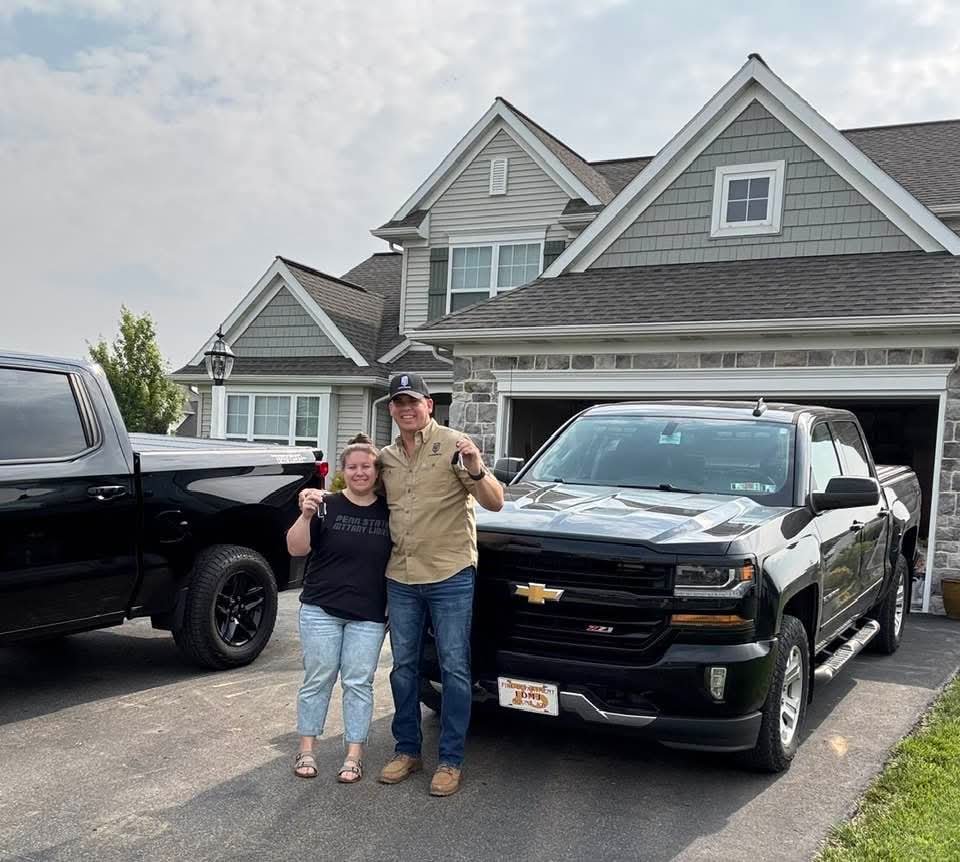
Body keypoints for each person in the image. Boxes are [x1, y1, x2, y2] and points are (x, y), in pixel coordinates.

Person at [376, 372, 504, 797]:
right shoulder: (386, 459)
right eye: (399, 402)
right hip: (402, 576)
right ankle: (407, 750)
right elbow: (360, 494)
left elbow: (494, 501)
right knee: (403, 669)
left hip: (450, 575)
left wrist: (476, 466)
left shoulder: (454, 445)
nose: (406, 408)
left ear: (430, 404)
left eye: (414, 400)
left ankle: (450, 760)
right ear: (391, 409)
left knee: (454, 669)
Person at [287, 433, 391, 784]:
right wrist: (304, 516)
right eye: (353, 467)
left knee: (359, 683)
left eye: (367, 466)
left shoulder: (389, 512)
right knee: (318, 678)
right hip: (321, 609)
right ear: (343, 471)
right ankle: (306, 749)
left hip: (369, 613)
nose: (360, 472)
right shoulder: (325, 505)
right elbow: (296, 549)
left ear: (376, 471)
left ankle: (354, 755)